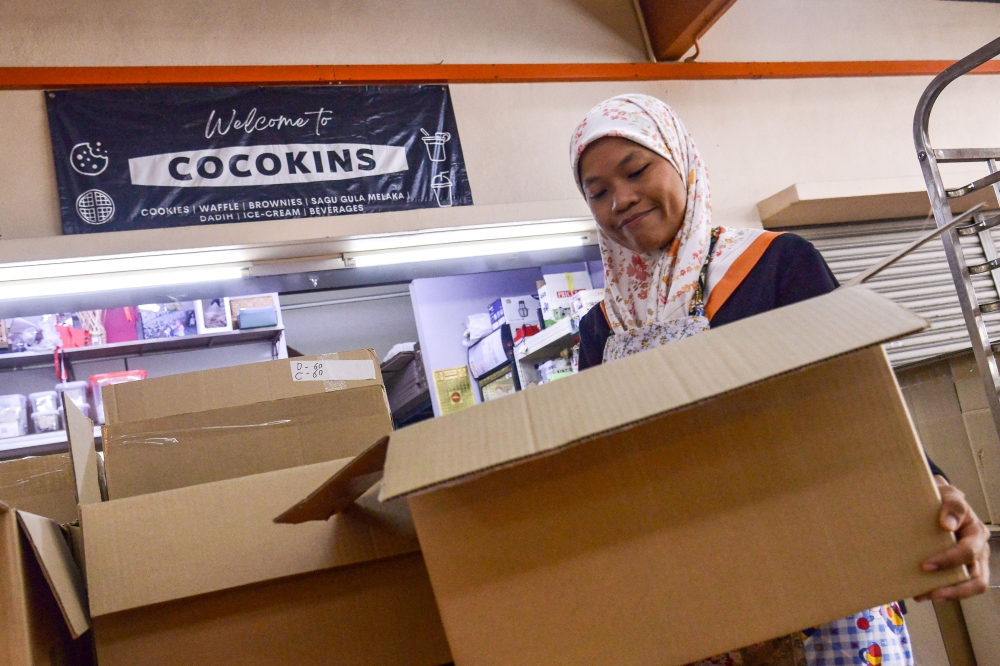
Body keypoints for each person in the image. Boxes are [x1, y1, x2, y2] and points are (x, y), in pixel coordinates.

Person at [570, 94, 992, 666]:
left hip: (823, 574)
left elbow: (858, 403)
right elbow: (601, 476)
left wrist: (934, 489)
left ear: (681, 161)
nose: (620, 199)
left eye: (637, 170)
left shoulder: (773, 264)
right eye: (597, 192)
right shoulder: (602, 328)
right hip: (697, 606)